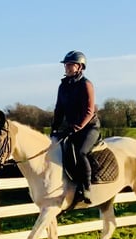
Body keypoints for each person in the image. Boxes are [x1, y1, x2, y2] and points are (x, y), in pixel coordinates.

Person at [50, 50, 101, 203]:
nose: (66, 67)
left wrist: (76, 127)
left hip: (89, 128)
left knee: (80, 152)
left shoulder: (86, 85)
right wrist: (54, 128)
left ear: (80, 67)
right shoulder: (63, 86)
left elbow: (89, 111)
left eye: (70, 65)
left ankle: (86, 188)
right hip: (71, 128)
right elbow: (59, 109)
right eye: (66, 64)